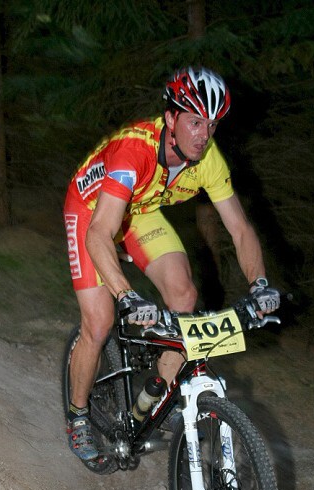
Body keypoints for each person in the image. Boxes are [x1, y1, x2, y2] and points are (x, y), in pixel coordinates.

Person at [63, 66, 280, 463]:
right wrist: (126, 295)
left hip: (140, 210)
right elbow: (99, 233)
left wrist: (260, 284)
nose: (203, 135)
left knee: (184, 295)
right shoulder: (134, 151)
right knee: (99, 322)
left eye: (212, 125)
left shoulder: (209, 160)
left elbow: (240, 229)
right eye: (195, 122)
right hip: (92, 210)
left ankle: (155, 403)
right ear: (170, 118)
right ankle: (77, 417)